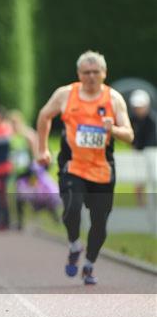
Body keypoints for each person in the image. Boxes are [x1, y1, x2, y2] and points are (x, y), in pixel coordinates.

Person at [37, 50, 133, 285]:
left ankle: (89, 264)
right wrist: (43, 149)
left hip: (102, 169)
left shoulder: (113, 99)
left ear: (104, 73)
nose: (91, 76)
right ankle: (73, 245)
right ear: (79, 73)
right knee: (72, 208)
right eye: (86, 72)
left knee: (99, 222)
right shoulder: (65, 95)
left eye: (95, 72)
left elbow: (129, 135)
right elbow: (44, 115)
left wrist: (113, 130)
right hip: (73, 165)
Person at [128, 89, 157, 205]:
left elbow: (152, 140)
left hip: (152, 153)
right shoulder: (132, 119)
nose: (138, 109)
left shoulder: (152, 120)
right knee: (139, 179)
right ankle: (140, 204)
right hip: (138, 153)